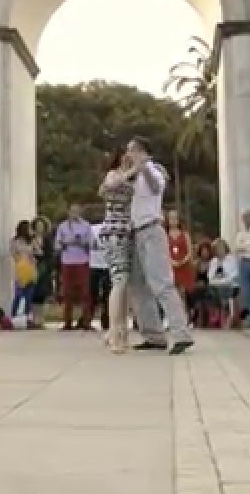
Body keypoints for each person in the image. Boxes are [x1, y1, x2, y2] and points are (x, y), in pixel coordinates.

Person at [124, 136, 193, 354]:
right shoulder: (130, 176)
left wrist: (143, 167)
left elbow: (156, 188)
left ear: (143, 152)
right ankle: (153, 334)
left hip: (151, 230)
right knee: (137, 285)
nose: (128, 154)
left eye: (132, 150)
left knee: (161, 283)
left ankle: (181, 333)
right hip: (134, 233)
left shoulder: (153, 171)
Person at [98, 149, 135, 353]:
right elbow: (110, 185)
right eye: (127, 154)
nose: (130, 157)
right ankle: (113, 332)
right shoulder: (114, 175)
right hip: (113, 231)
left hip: (127, 232)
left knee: (124, 284)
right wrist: (132, 171)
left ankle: (122, 331)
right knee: (119, 281)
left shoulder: (132, 179)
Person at [54, 203, 94, 331]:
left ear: (80, 212)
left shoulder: (86, 225)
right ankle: (67, 322)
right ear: (69, 212)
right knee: (67, 293)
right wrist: (65, 243)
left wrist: (81, 242)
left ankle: (86, 322)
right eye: (72, 211)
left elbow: (92, 243)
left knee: (85, 293)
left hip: (82, 261)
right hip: (67, 262)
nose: (75, 213)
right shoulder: (62, 226)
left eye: (77, 211)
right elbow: (57, 245)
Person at [81, 216, 111, 332]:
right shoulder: (106, 228)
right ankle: (104, 321)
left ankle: (88, 320)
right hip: (101, 264)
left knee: (94, 295)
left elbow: (85, 244)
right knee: (105, 295)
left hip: (97, 264)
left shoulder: (91, 228)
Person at [206, 238, 240, 329]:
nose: (219, 250)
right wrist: (217, 281)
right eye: (217, 248)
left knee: (222, 291)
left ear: (225, 248)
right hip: (216, 284)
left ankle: (224, 318)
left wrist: (221, 281)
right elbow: (210, 276)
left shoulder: (231, 259)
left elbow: (233, 275)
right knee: (210, 290)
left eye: (221, 247)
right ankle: (217, 316)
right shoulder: (213, 261)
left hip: (230, 285)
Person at [166, 209, 194, 313]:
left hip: (183, 266)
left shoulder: (185, 234)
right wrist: (171, 261)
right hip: (170, 267)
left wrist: (183, 261)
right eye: (171, 218)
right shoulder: (165, 235)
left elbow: (190, 251)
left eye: (175, 218)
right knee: (172, 294)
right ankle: (172, 317)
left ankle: (185, 316)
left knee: (182, 293)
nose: (173, 220)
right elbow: (163, 252)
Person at [28, 216, 53, 330]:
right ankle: (33, 319)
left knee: (42, 294)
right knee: (33, 294)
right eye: (37, 226)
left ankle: (41, 320)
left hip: (44, 267)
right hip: (32, 267)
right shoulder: (30, 238)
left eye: (41, 226)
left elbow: (50, 254)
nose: (39, 228)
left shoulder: (48, 239)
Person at [10, 221, 37, 323]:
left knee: (29, 297)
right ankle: (13, 317)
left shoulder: (31, 241)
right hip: (20, 269)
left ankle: (27, 318)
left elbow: (38, 252)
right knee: (18, 295)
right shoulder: (15, 241)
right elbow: (14, 254)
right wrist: (22, 260)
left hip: (31, 268)